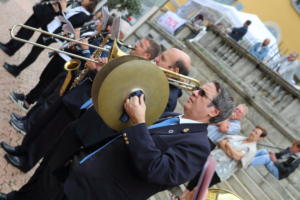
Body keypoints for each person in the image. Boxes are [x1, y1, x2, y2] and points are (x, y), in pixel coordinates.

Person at [0, 81, 234, 200]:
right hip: (79, 175)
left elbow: (159, 171)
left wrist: (139, 123)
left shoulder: (199, 145)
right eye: (197, 89)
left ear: (213, 112)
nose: (194, 92)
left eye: (203, 94)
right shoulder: (174, 117)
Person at [1, 38, 161, 173]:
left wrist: (95, 71)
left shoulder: (136, 72)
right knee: (42, 123)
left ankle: (26, 161)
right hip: (76, 93)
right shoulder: (125, 61)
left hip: (81, 104)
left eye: (140, 46)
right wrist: (100, 67)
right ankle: (21, 149)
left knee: (48, 135)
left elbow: (108, 89)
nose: (135, 46)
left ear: (146, 55)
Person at [2, 0, 97, 77]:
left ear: (90, 3)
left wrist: (63, 7)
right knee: (35, 50)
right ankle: (17, 68)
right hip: (51, 28)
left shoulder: (84, 15)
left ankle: (17, 70)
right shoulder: (79, 8)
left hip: (53, 33)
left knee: (35, 51)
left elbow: (69, 24)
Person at [184, 104, 248, 192]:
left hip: (208, 142)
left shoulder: (237, 126)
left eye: (239, 111)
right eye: (236, 109)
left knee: (190, 162)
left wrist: (226, 118)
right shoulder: (226, 116)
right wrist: (224, 120)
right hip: (200, 134)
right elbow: (214, 121)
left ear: (242, 116)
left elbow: (223, 128)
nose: (236, 111)